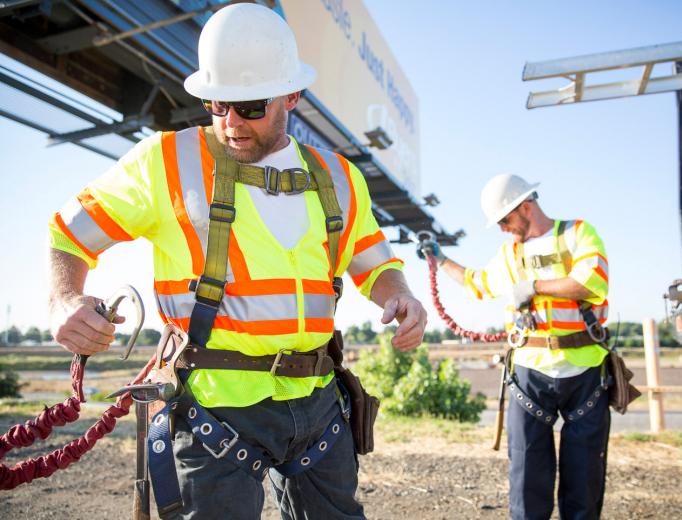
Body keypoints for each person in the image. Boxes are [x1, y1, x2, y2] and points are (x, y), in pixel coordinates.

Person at [48, 4, 426, 519]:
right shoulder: (166, 162)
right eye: (216, 105)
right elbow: (69, 233)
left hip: (318, 404)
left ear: (292, 95)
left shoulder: (339, 178)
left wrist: (399, 294)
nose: (230, 124)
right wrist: (64, 299)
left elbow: (375, 264)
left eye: (249, 106)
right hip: (211, 407)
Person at [419, 173, 610, 520]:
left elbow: (590, 281)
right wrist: (440, 259)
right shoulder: (509, 254)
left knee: (584, 479)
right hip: (529, 375)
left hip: (585, 372)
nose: (503, 228)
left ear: (526, 207)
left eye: (505, 220)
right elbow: (475, 283)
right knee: (525, 480)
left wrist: (535, 285)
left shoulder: (578, 234)